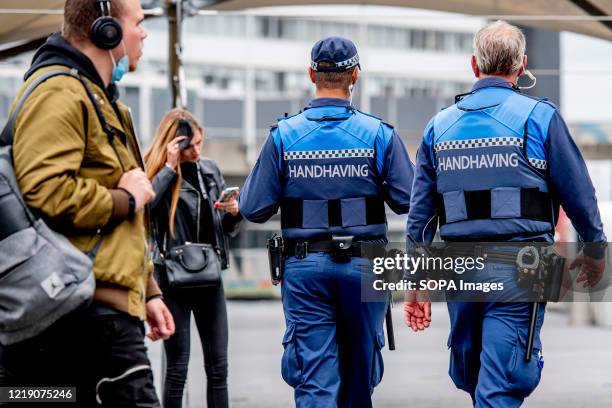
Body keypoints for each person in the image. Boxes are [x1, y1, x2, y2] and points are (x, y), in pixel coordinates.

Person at [405, 20, 606, 407]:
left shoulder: (438, 127)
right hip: (523, 264)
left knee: (477, 376)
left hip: (459, 266)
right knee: (499, 381)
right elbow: (579, 194)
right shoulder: (540, 119)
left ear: (474, 65)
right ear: (522, 65)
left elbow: (421, 216)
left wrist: (416, 280)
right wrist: (595, 250)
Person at [0, 0, 175, 406]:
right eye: (138, 22)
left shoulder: (100, 99)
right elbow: (47, 191)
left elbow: (120, 221)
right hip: (83, 319)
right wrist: (126, 197)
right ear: (106, 31)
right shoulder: (60, 92)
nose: (144, 33)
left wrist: (147, 290)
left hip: (95, 311)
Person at [240, 36, 414, 408]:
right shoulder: (379, 135)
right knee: (359, 379)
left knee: (315, 380)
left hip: (305, 268)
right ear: (355, 75)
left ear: (310, 74)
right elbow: (408, 201)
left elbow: (253, 208)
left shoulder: (284, 136)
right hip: (366, 266)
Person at [145, 108, 242, 408]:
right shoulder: (158, 173)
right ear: (175, 145)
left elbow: (222, 230)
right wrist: (168, 168)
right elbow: (144, 210)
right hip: (172, 280)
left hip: (209, 278)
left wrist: (234, 215)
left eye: (201, 143)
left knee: (218, 369)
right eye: (192, 145)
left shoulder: (210, 170)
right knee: (177, 370)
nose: (198, 151)